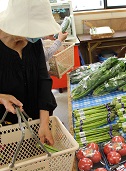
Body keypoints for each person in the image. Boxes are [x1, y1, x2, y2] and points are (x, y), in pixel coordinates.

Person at [0, 0, 61, 145]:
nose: (36, 38)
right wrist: (1, 97)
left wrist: (44, 123)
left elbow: (43, 80)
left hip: (38, 117)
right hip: (7, 126)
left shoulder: (34, 43)